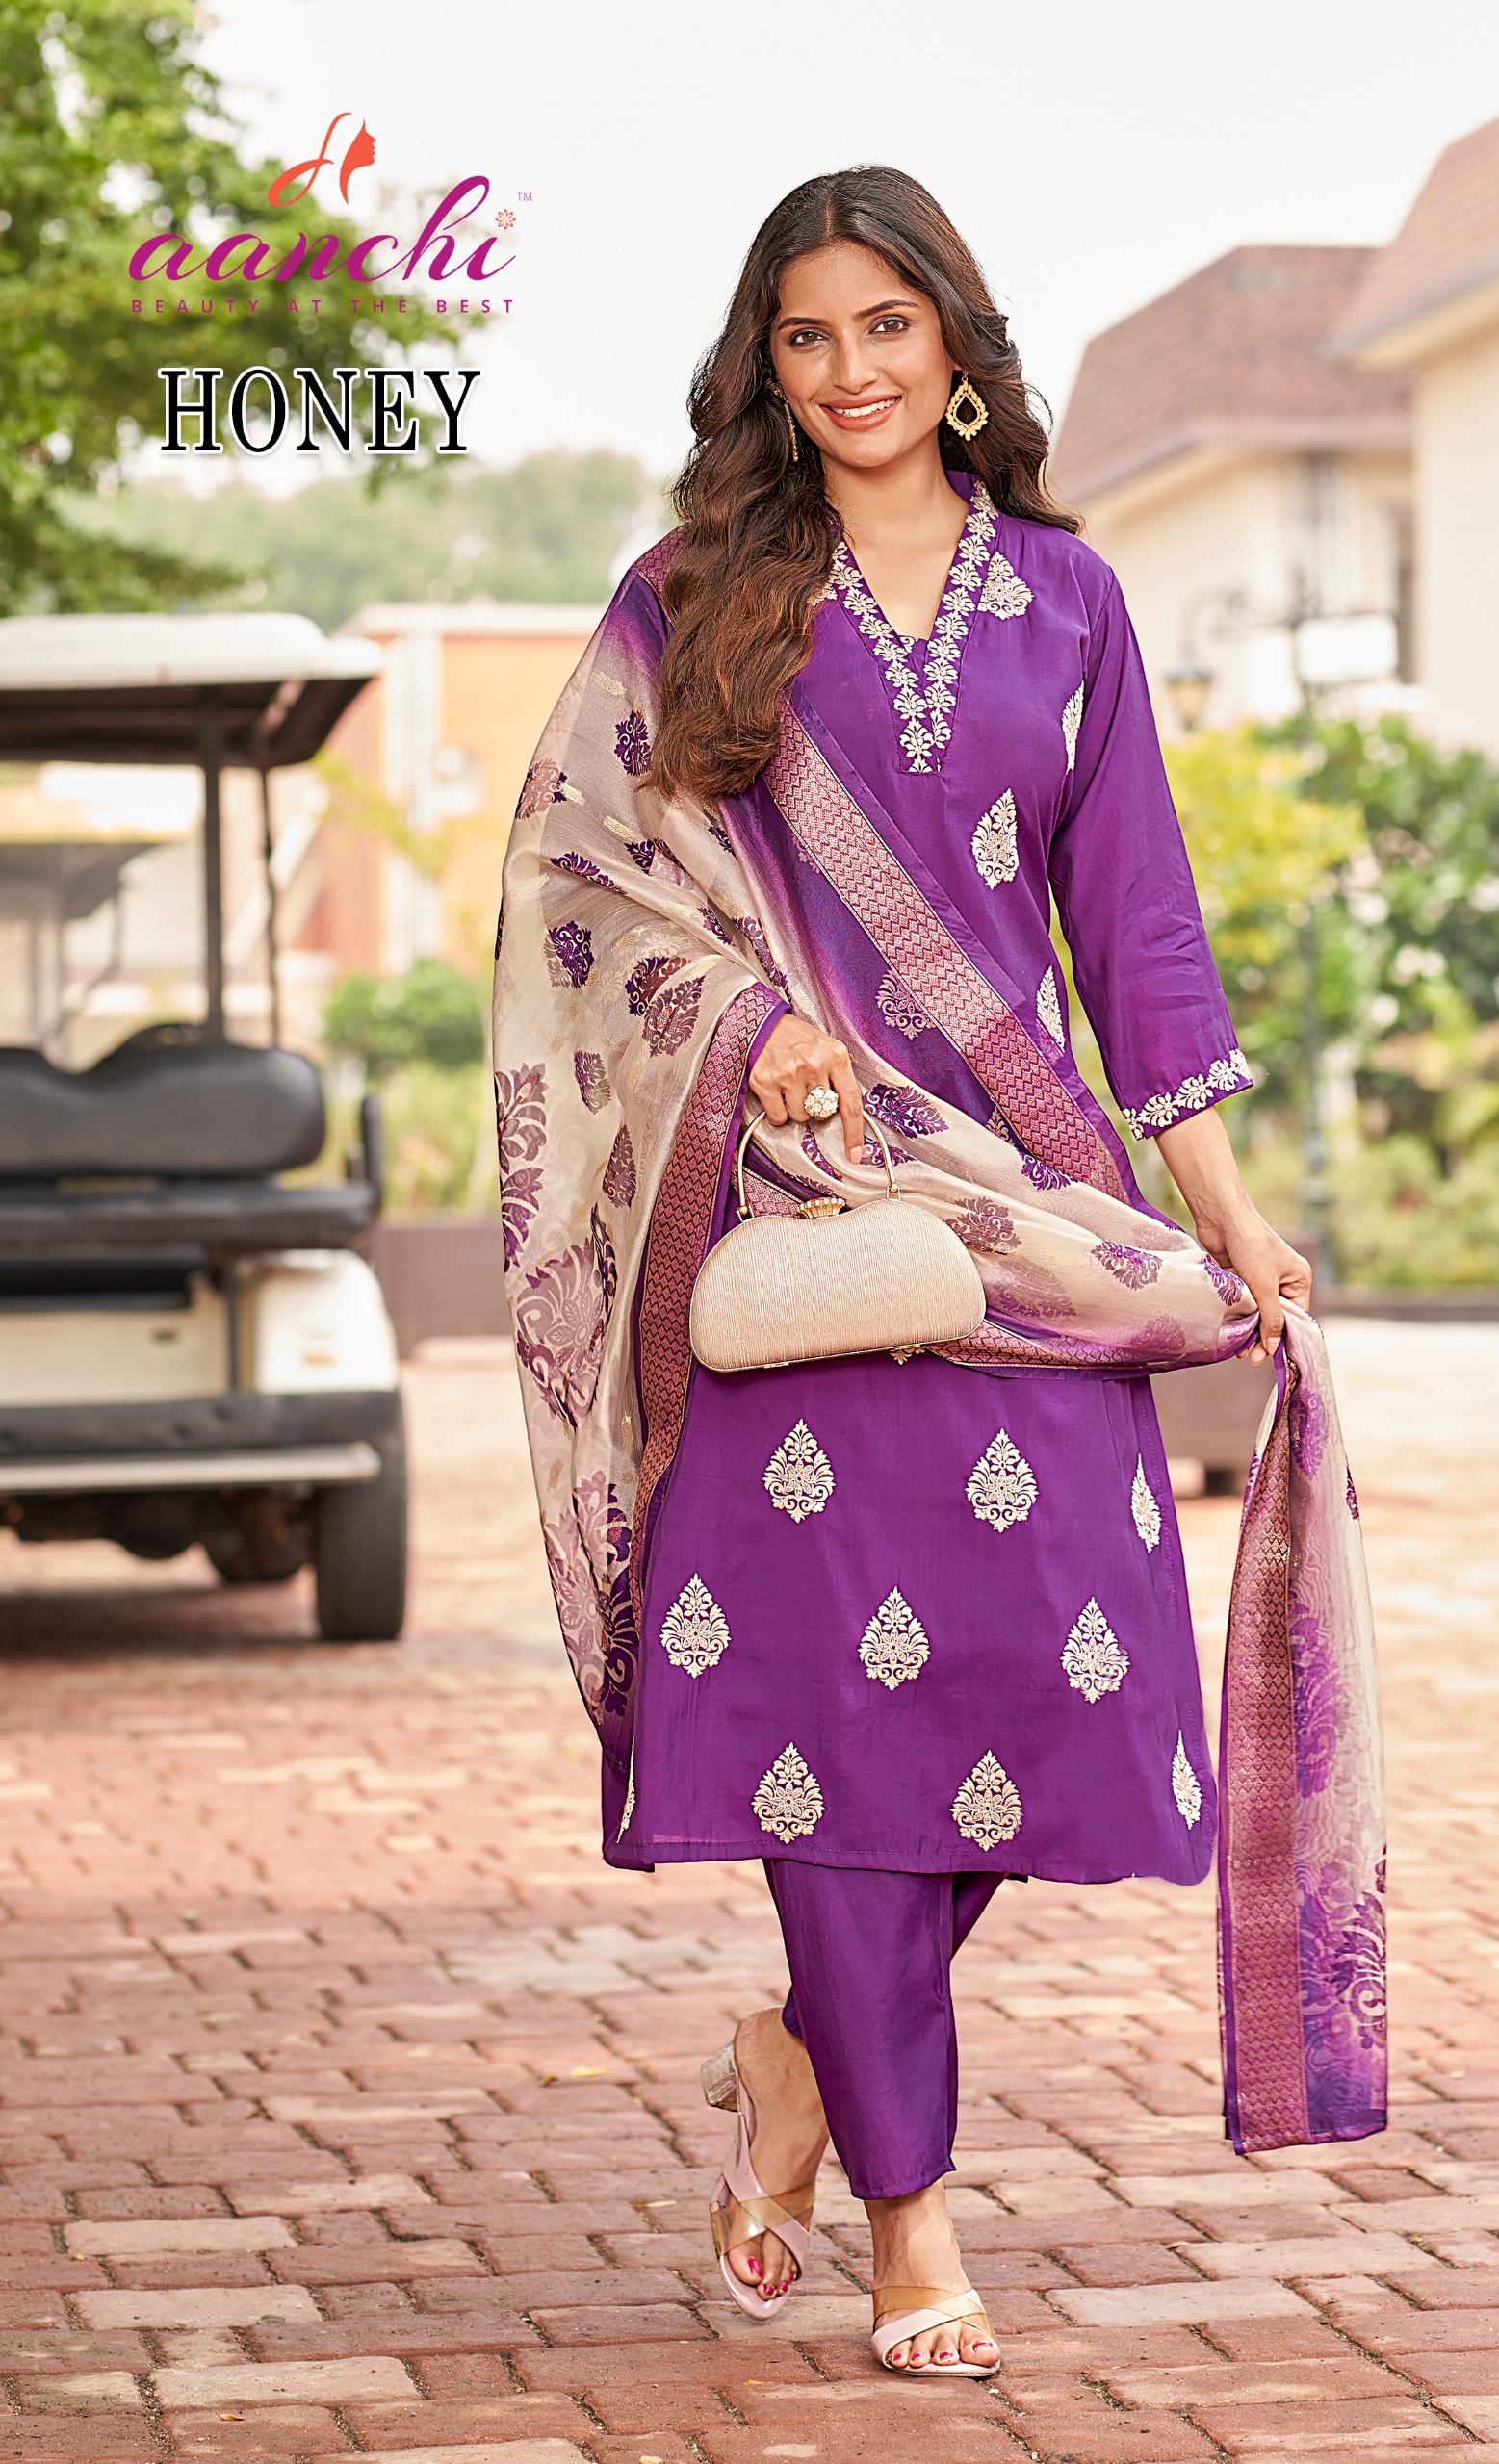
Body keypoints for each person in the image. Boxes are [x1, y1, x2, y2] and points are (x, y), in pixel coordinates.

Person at [493, 166, 1383, 2383]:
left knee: (1057, 1685)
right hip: (802, 1243)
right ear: (766, 370)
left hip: (1028, 1228)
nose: (851, 370)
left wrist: (1223, 1206)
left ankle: (799, 2058)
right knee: (828, 1740)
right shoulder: (693, 599)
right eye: (807, 336)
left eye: (884, 325)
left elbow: (1138, 924)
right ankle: (913, 2213)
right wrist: (744, 1022)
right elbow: (586, 883)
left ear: (955, 343)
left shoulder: (1070, 602)